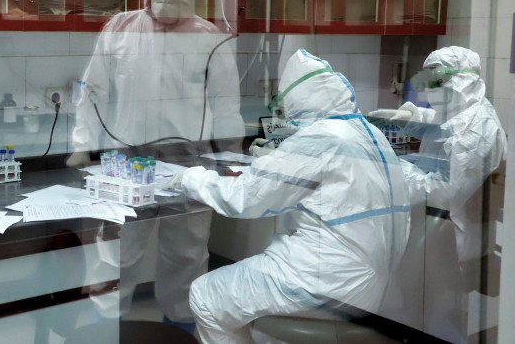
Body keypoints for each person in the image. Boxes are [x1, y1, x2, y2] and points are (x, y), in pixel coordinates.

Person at [170, 49, 410, 344]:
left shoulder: (319, 139)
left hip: (329, 281)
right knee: (250, 310)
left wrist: (191, 178)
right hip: (375, 284)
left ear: (298, 100)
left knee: (206, 295)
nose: (282, 115)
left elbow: (244, 198)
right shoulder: (366, 131)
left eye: (284, 106)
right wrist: (280, 154)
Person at [67, 0, 244, 330]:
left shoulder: (209, 38)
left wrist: (232, 155)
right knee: (118, 249)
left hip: (190, 161)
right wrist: (83, 143)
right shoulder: (120, 28)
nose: (163, 2)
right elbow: (93, 90)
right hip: (127, 158)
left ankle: (181, 320)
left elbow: (226, 104)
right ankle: (105, 324)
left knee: (187, 249)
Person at [370, 46, 506, 342]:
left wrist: (393, 170)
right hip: (439, 232)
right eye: (427, 83)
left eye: (437, 83)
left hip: (453, 241)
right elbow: (444, 122)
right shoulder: (467, 114)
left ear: (462, 80)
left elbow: (442, 191)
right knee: (424, 312)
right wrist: (410, 114)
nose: (431, 91)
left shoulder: (476, 131)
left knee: (432, 318)